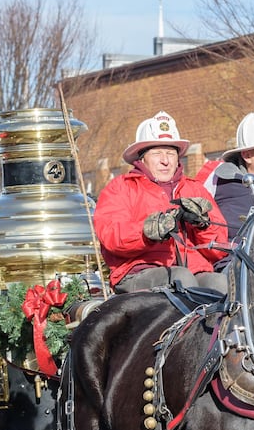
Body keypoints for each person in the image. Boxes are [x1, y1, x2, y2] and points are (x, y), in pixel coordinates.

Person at [92, 111, 223, 294]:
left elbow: (219, 248)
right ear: (142, 158)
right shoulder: (121, 187)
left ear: (178, 158)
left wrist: (203, 225)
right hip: (138, 271)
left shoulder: (195, 189)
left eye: (170, 153)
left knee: (222, 284)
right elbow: (111, 236)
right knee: (181, 279)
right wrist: (148, 231)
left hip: (193, 270)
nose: (165, 161)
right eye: (157, 153)